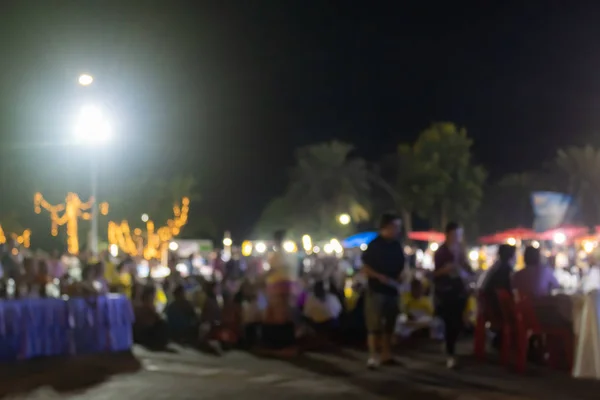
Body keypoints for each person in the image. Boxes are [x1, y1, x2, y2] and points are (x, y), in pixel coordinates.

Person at [361, 212, 405, 369]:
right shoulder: (374, 245)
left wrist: (400, 277)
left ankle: (387, 355)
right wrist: (379, 276)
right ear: (386, 227)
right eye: (396, 226)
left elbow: (401, 265)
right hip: (376, 289)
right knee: (374, 325)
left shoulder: (396, 245)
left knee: (389, 325)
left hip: (393, 289)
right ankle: (373, 356)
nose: (398, 230)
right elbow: (365, 267)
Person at [433, 221, 473, 369]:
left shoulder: (461, 250)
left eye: (460, 234)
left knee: (457, 322)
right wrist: (445, 270)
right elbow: (435, 273)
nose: (458, 237)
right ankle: (451, 354)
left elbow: (468, 268)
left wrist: (468, 271)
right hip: (446, 291)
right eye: (455, 234)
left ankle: (450, 346)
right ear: (448, 235)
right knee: (450, 321)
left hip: (460, 289)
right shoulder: (441, 252)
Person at [481, 244, 516, 317]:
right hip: (497, 308)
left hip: (489, 306)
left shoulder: (496, 267)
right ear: (511, 256)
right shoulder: (505, 269)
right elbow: (509, 291)